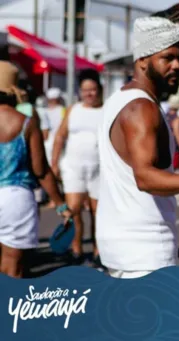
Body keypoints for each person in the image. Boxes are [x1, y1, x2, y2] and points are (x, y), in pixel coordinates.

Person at [96, 2, 179, 279]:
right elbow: (145, 178)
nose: (177, 65)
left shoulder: (120, 98)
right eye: (167, 58)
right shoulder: (142, 109)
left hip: (125, 246)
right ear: (143, 59)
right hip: (143, 251)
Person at [0, 61, 71, 278]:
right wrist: (60, 205)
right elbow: (41, 171)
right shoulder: (26, 123)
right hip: (15, 198)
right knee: (13, 268)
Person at [51, 69, 103, 266]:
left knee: (97, 212)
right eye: (85, 90)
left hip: (99, 169)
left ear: (100, 89)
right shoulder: (73, 110)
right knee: (73, 210)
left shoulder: (106, 110)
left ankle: (98, 251)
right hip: (73, 167)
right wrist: (55, 163)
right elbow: (60, 137)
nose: (89, 94)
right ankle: (77, 249)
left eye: (93, 90)